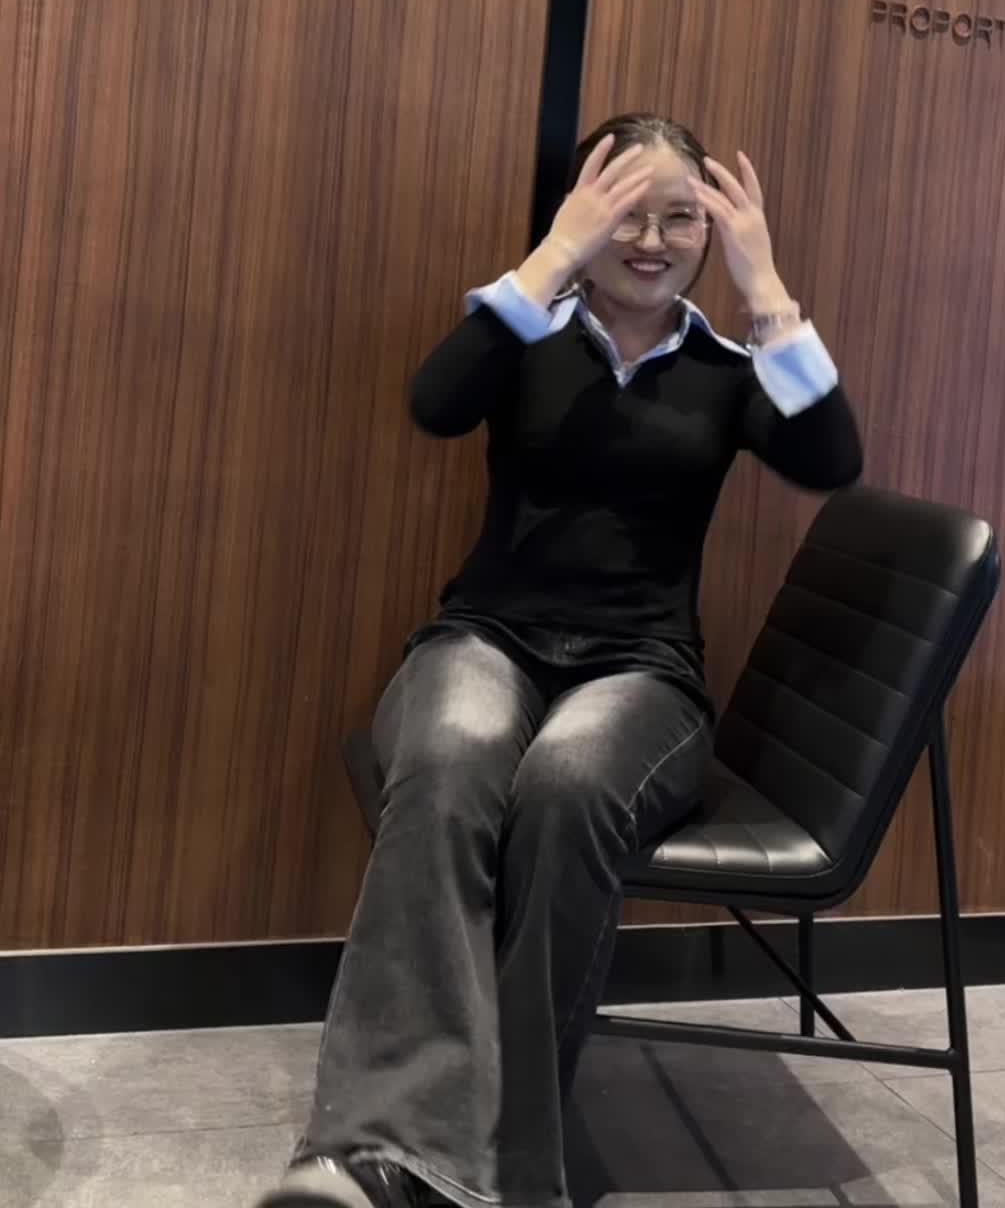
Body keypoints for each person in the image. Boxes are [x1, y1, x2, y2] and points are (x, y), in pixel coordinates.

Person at [258, 113, 863, 1208]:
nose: (652, 239)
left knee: (569, 783)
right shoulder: (526, 335)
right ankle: (378, 1144)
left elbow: (833, 460)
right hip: (485, 638)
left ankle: (505, 1171)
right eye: (624, 211)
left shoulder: (728, 372)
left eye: (680, 217)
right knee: (448, 760)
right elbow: (435, 403)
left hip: (643, 670)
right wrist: (550, 258)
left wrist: (765, 284)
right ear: (582, 214)